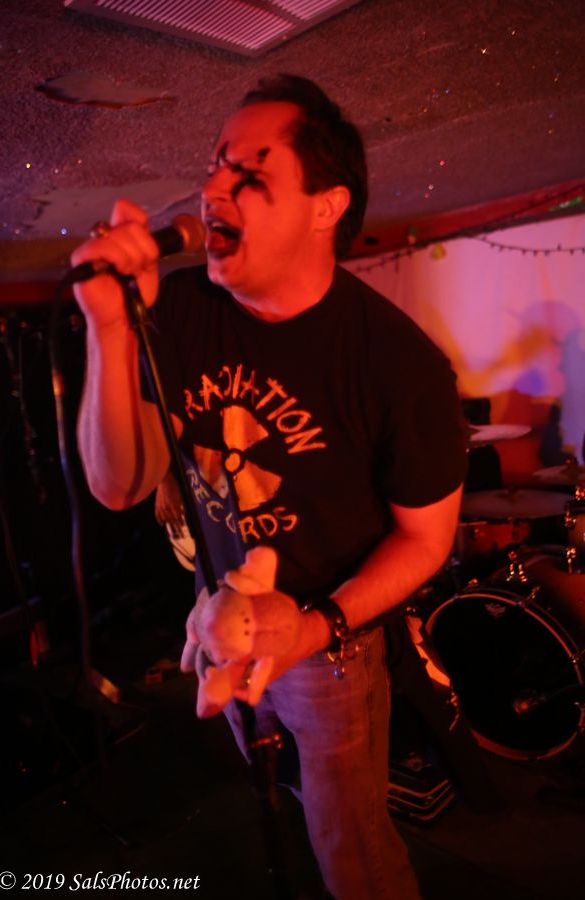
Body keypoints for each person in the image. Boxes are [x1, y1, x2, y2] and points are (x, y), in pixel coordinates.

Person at [71, 74, 466, 900]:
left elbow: (427, 540)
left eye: (249, 171)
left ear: (327, 206)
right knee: (281, 801)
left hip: (330, 646)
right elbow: (118, 487)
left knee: (350, 852)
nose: (214, 187)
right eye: (216, 165)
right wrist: (110, 329)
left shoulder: (402, 367)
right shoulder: (178, 309)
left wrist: (313, 630)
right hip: (223, 620)